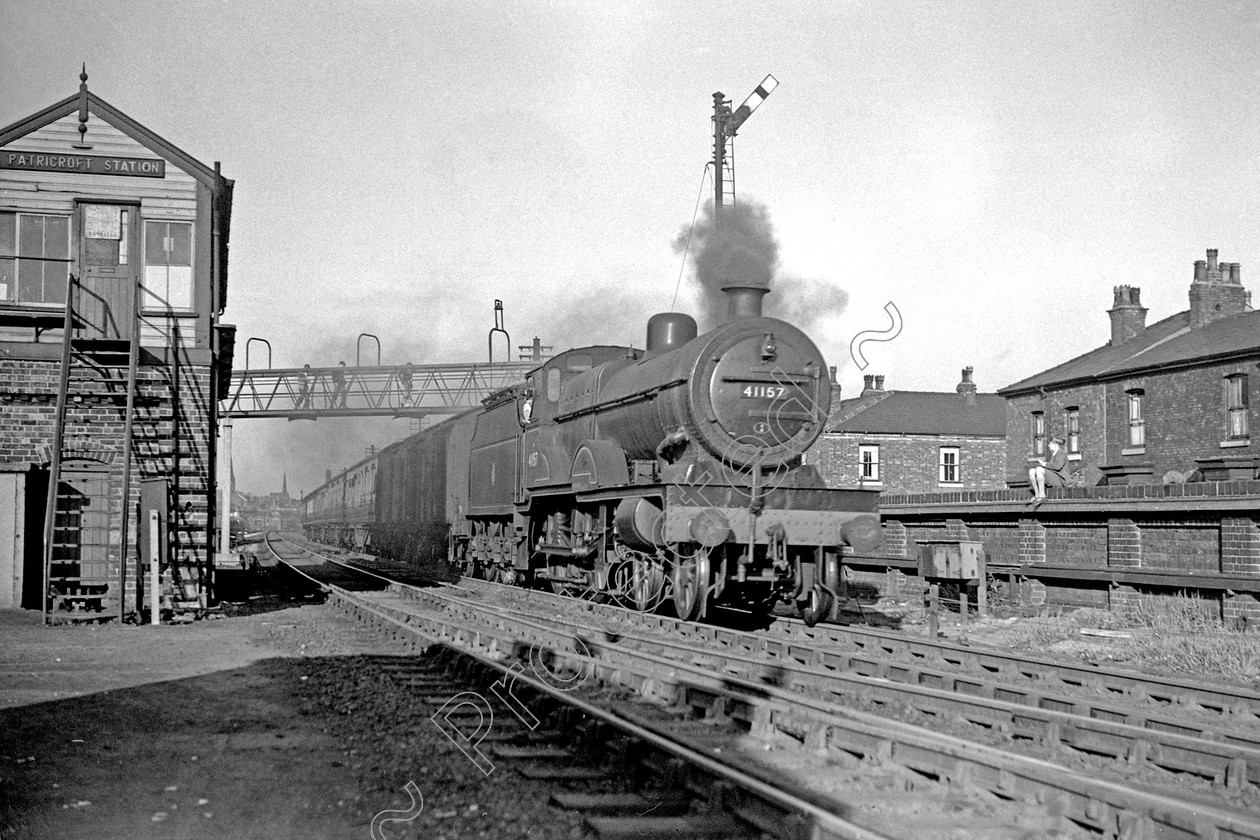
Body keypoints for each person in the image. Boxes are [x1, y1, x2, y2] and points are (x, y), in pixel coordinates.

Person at [1028, 435, 1069, 503]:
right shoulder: (1053, 455)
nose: (1048, 445)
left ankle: (1042, 495)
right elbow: (1051, 468)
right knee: (1031, 471)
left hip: (1061, 480)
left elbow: (1057, 466)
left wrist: (1044, 464)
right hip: (1055, 477)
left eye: (1050, 443)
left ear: (1055, 445)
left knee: (1039, 469)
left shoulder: (1061, 454)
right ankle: (1037, 495)